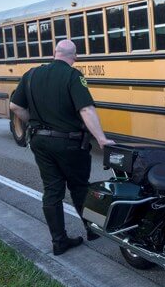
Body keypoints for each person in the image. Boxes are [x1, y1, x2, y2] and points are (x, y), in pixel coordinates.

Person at [9, 40, 115, 256]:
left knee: (52, 190)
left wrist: (33, 123)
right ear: (74, 56)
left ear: (54, 54)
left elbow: (15, 106)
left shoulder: (31, 75)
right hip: (69, 143)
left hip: (40, 142)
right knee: (79, 187)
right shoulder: (73, 76)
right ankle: (92, 229)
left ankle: (59, 241)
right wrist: (102, 139)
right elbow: (86, 109)